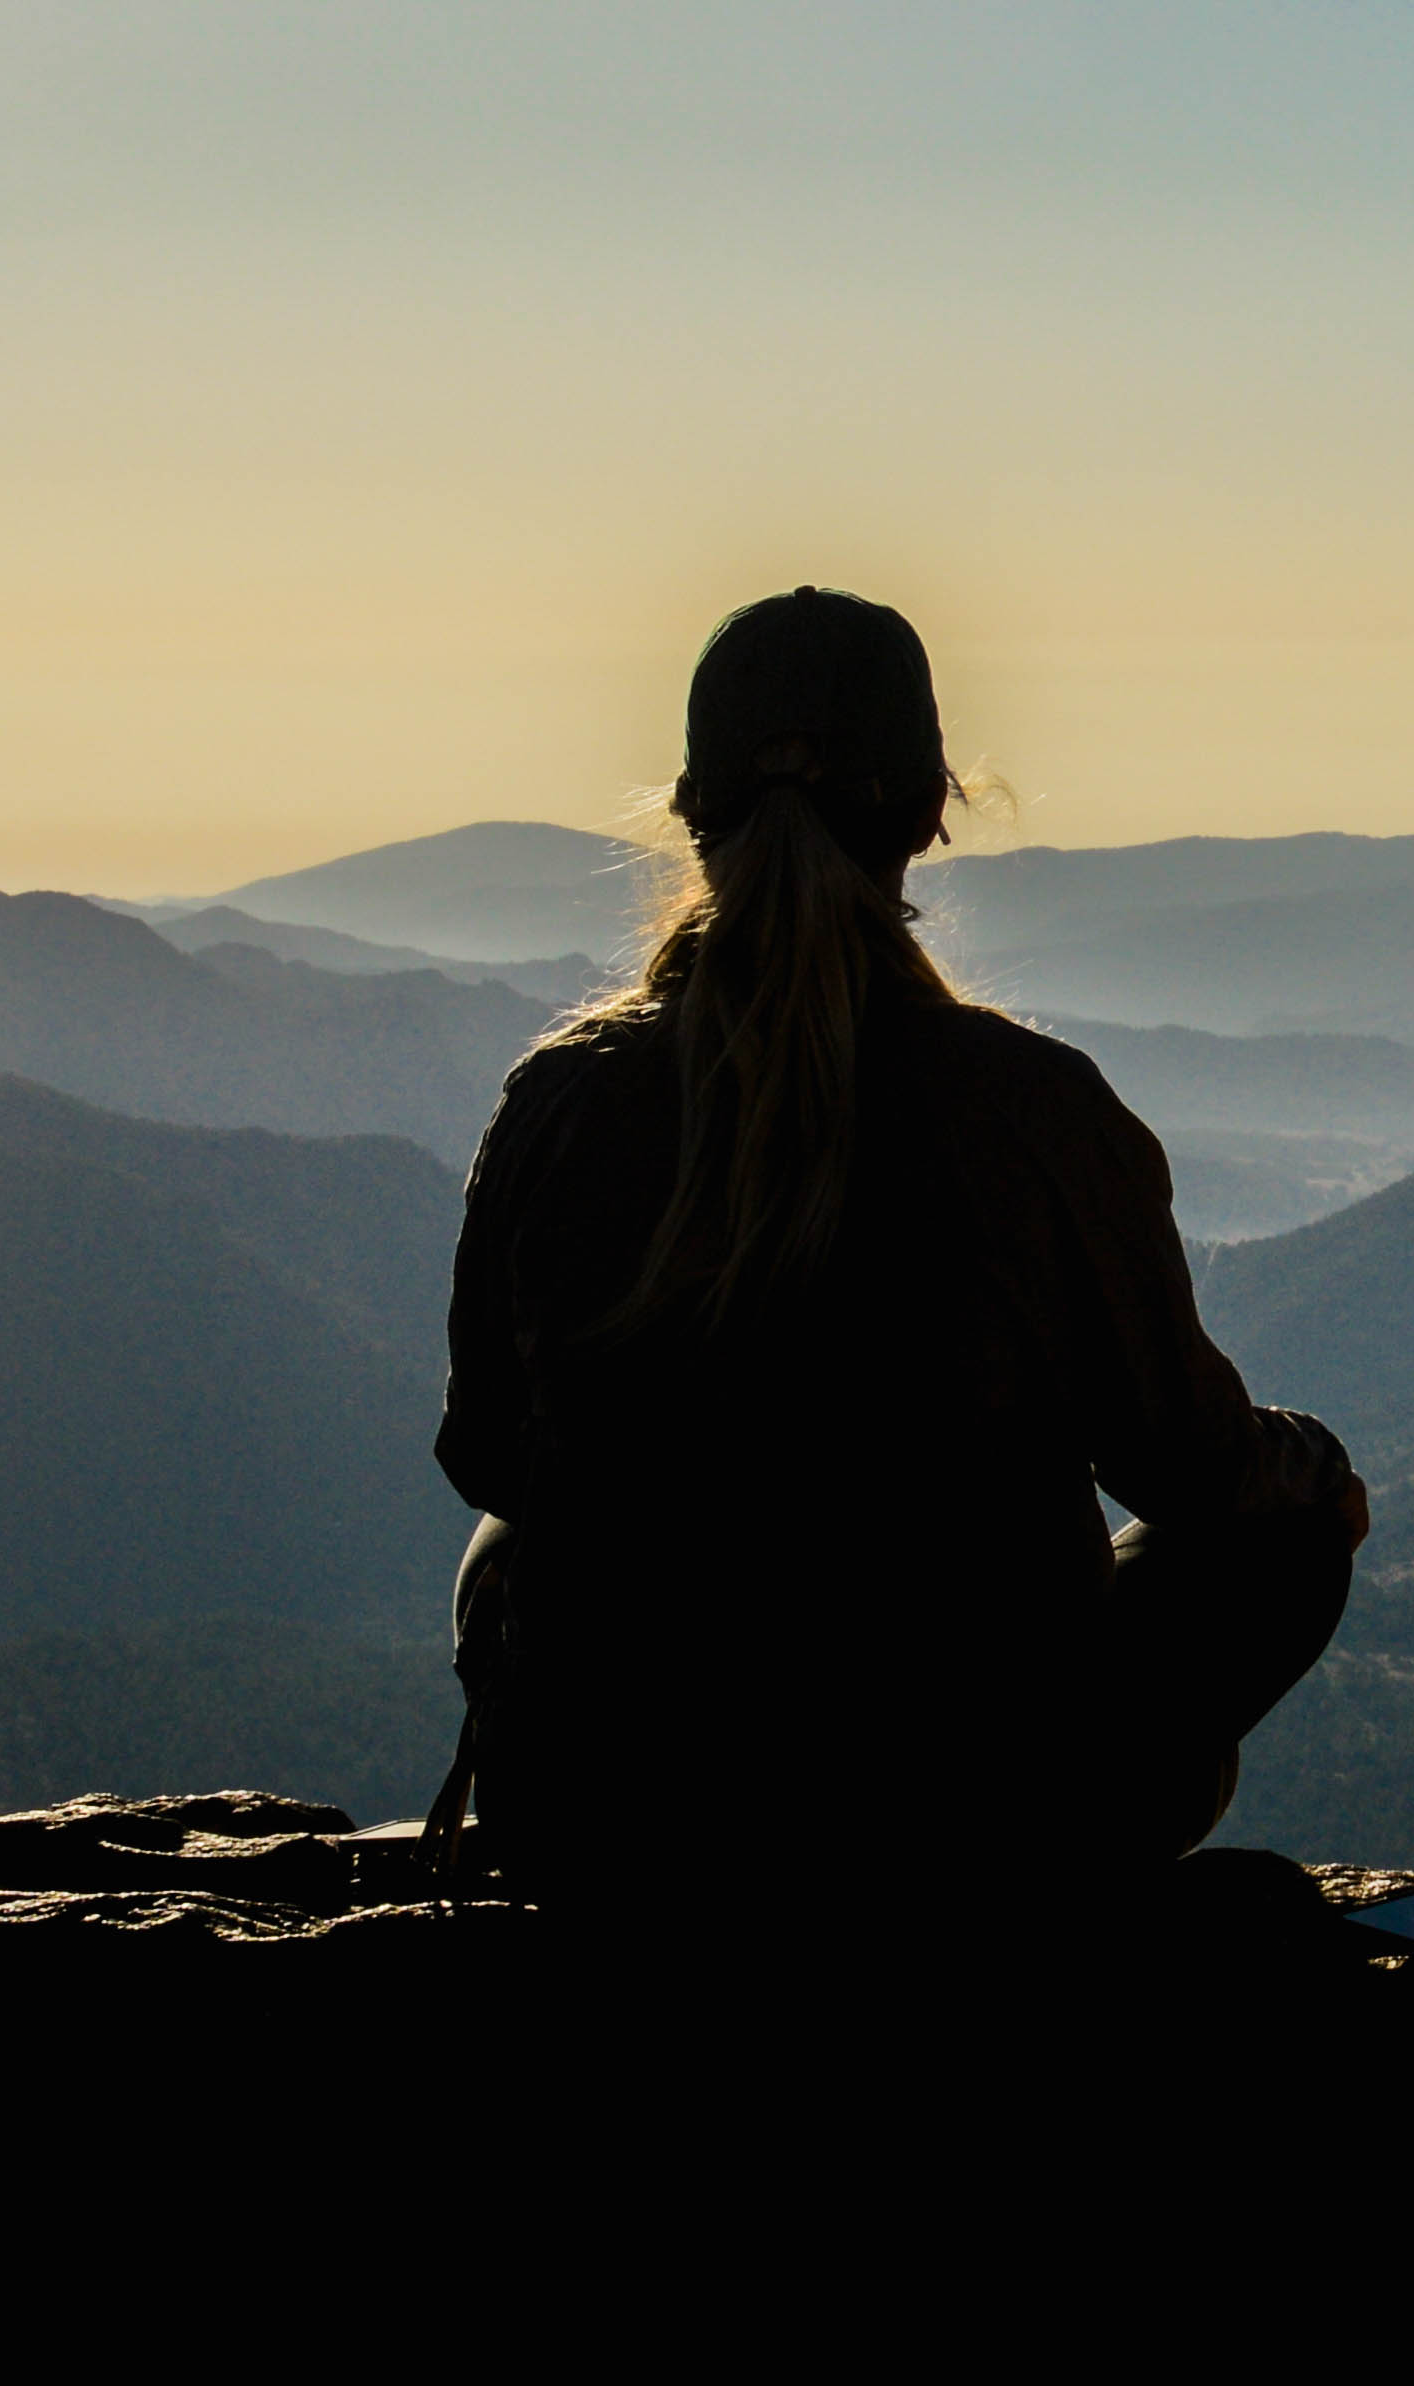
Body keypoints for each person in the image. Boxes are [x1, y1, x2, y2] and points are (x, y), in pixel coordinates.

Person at [430, 587, 1367, 1887]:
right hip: (972, 1809)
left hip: (610, 1819)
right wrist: (1311, 1466)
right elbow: (1191, 1468)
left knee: (507, 1540)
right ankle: (1092, 1851)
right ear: (932, 808)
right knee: (1284, 1528)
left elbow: (485, 1451)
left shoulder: (566, 1096)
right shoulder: (1033, 1109)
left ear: (692, 812)